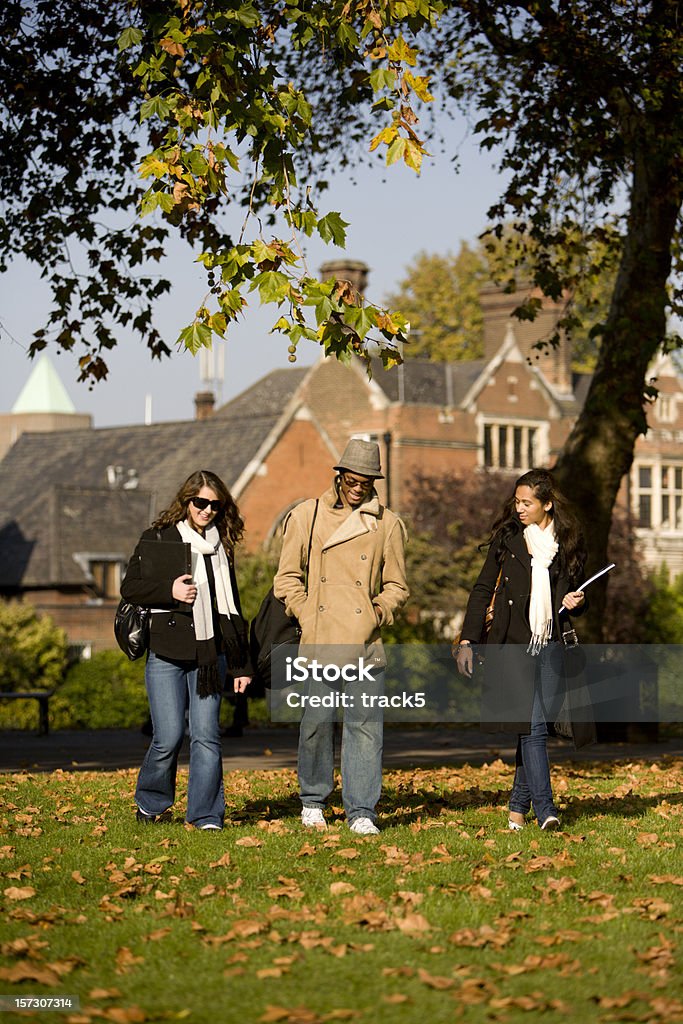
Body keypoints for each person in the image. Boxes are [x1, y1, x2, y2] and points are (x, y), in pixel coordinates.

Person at [273, 438, 409, 835]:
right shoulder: (307, 516)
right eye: (353, 478)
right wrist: (305, 612)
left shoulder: (388, 524)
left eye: (367, 480)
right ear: (339, 475)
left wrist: (377, 613)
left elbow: (397, 585)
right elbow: (286, 578)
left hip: (365, 643)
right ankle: (313, 800)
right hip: (320, 637)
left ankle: (362, 809)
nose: (359, 486)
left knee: (366, 727)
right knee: (315, 722)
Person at [455, 468, 593, 831]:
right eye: (516, 501)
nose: (519, 508)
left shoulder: (567, 542)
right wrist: (468, 639)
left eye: (526, 502)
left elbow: (578, 590)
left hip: (550, 643)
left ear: (547, 504)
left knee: (534, 727)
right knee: (531, 727)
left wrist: (577, 601)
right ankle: (546, 809)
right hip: (512, 644)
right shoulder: (508, 539)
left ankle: (517, 807)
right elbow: (482, 589)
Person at [121, 469, 252, 830]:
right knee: (168, 737)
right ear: (187, 501)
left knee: (207, 737)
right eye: (200, 502)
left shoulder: (221, 548)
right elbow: (130, 587)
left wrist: (241, 665)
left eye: (214, 504)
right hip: (165, 652)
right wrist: (170, 591)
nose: (207, 510)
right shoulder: (159, 538)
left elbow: (232, 608)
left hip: (209, 657)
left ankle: (206, 814)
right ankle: (151, 803)